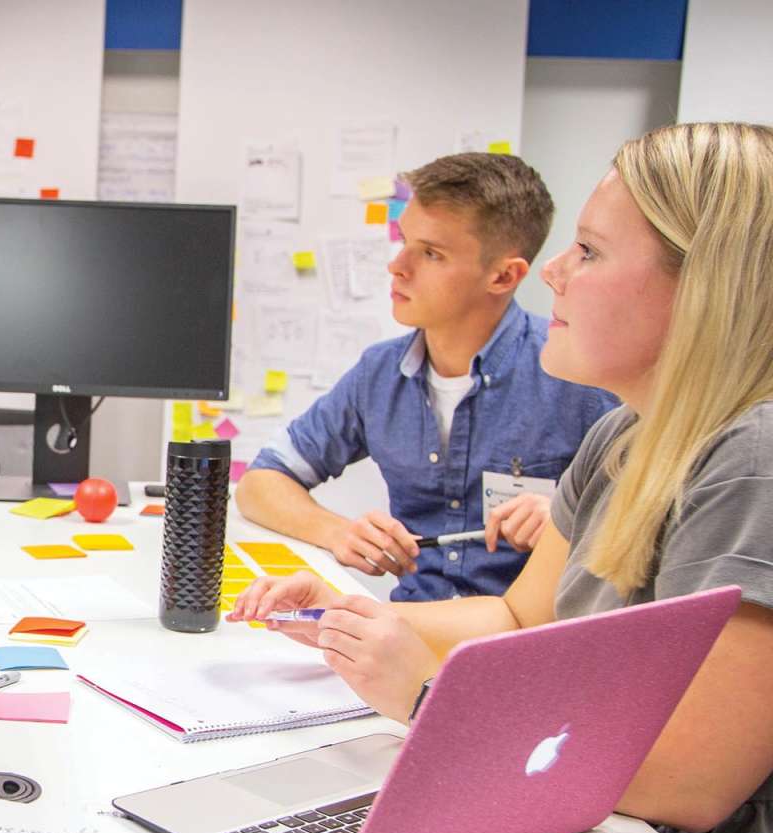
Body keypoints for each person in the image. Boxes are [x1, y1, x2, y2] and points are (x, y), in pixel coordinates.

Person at [231, 122, 773, 833]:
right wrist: (351, 617)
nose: (554, 271)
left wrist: (428, 700)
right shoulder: (624, 434)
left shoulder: (754, 460)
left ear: (708, 285)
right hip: (597, 824)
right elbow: (521, 620)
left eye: (588, 251)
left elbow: (691, 782)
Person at [236, 153, 616, 600]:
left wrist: (566, 517)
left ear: (503, 276)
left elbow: (649, 518)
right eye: (404, 241)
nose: (397, 267)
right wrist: (338, 532)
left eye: (432, 253)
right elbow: (260, 483)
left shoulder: (578, 376)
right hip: (409, 632)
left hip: (523, 643)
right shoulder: (379, 374)